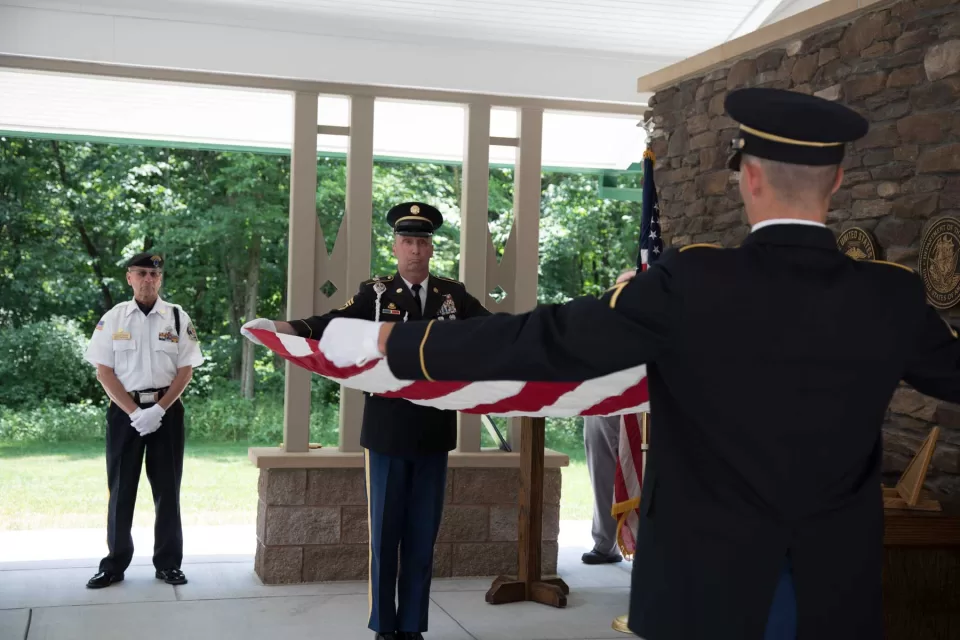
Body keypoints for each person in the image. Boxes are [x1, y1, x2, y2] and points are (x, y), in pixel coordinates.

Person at [320, 88, 960, 640]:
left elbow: (546, 339)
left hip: (702, 591)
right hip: (835, 594)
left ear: (750, 177)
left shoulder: (693, 281)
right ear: (839, 181)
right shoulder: (893, 294)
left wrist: (392, 344)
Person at [243, 202, 489, 640]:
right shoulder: (376, 294)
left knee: (421, 536)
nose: (415, 249)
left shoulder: (453, 296)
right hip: (387, 430)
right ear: (395, 247)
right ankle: (384, 625)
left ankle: (412, 625)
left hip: (433, 431)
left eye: (423, 241)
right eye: (407, 241)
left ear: (432, 248)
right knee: (385, 535)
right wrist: (283, 327)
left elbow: (493, 333)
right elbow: (331, 324)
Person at [83, 252, 204, 588]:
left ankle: (168, 563)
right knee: (121, 489)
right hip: (125, 414)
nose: (148, 279)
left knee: (168, 488)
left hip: (167, 410)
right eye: (141, 273)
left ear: (160, 279)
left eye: (154, 274)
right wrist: (135, 412)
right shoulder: (114, 318)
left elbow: (186, 370)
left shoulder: (177, 317)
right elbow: (104, 371)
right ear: (129, 278)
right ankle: (114, 564)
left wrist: (160, 409)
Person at [581, 414, 624, 565]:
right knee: (602, 474)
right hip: (598, 398)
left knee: (644, 472)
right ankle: (606, 543)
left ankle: (646, 544)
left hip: (642, 401)